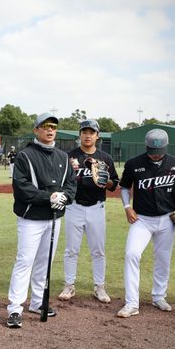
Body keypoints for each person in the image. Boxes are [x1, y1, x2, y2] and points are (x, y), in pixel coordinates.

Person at [117, 129, 175, 318]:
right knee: (131, 254)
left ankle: (159, 297)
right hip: (141, 220)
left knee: (163, 259)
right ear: (146, 146)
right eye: (152, 150)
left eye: (159, 151)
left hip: (167, 219)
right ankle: (131, 303)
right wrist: (127, 207)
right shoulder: (134, 164)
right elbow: (124, 187)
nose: (155, 154)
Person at [6, 113, 76, 328]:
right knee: (25, 261)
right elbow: (21, 187)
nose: (50, 130)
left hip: (54, 218)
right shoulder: (25, 155)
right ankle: (15, 308)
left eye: (53, 126)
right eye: (45, 126)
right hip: (31, 218)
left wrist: (65, 197)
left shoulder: (63, 157)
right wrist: (49, 197)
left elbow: (71, 184)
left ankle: (37, 303)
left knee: (45, 262)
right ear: (36, 130)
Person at [59, 119, 119, 303]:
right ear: (79, 135)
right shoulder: (68, 157)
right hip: (74, 207)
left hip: (96, 208)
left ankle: (99, 287)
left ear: (97, 136)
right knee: (71, 250)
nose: (87, 135)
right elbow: (60, 181)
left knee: (98, 250)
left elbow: (114, 185)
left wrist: (104, 180)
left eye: (91, 132)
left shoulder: (105, 158)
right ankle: (69, 285)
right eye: (84, 132)